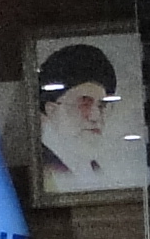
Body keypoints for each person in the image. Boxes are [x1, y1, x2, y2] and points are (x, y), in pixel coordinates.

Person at [37, 40, 125, 190]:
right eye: (84, 104)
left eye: (102, 105)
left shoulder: (95, 171)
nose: (96, 116)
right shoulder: (40, 170)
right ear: (51, 110)